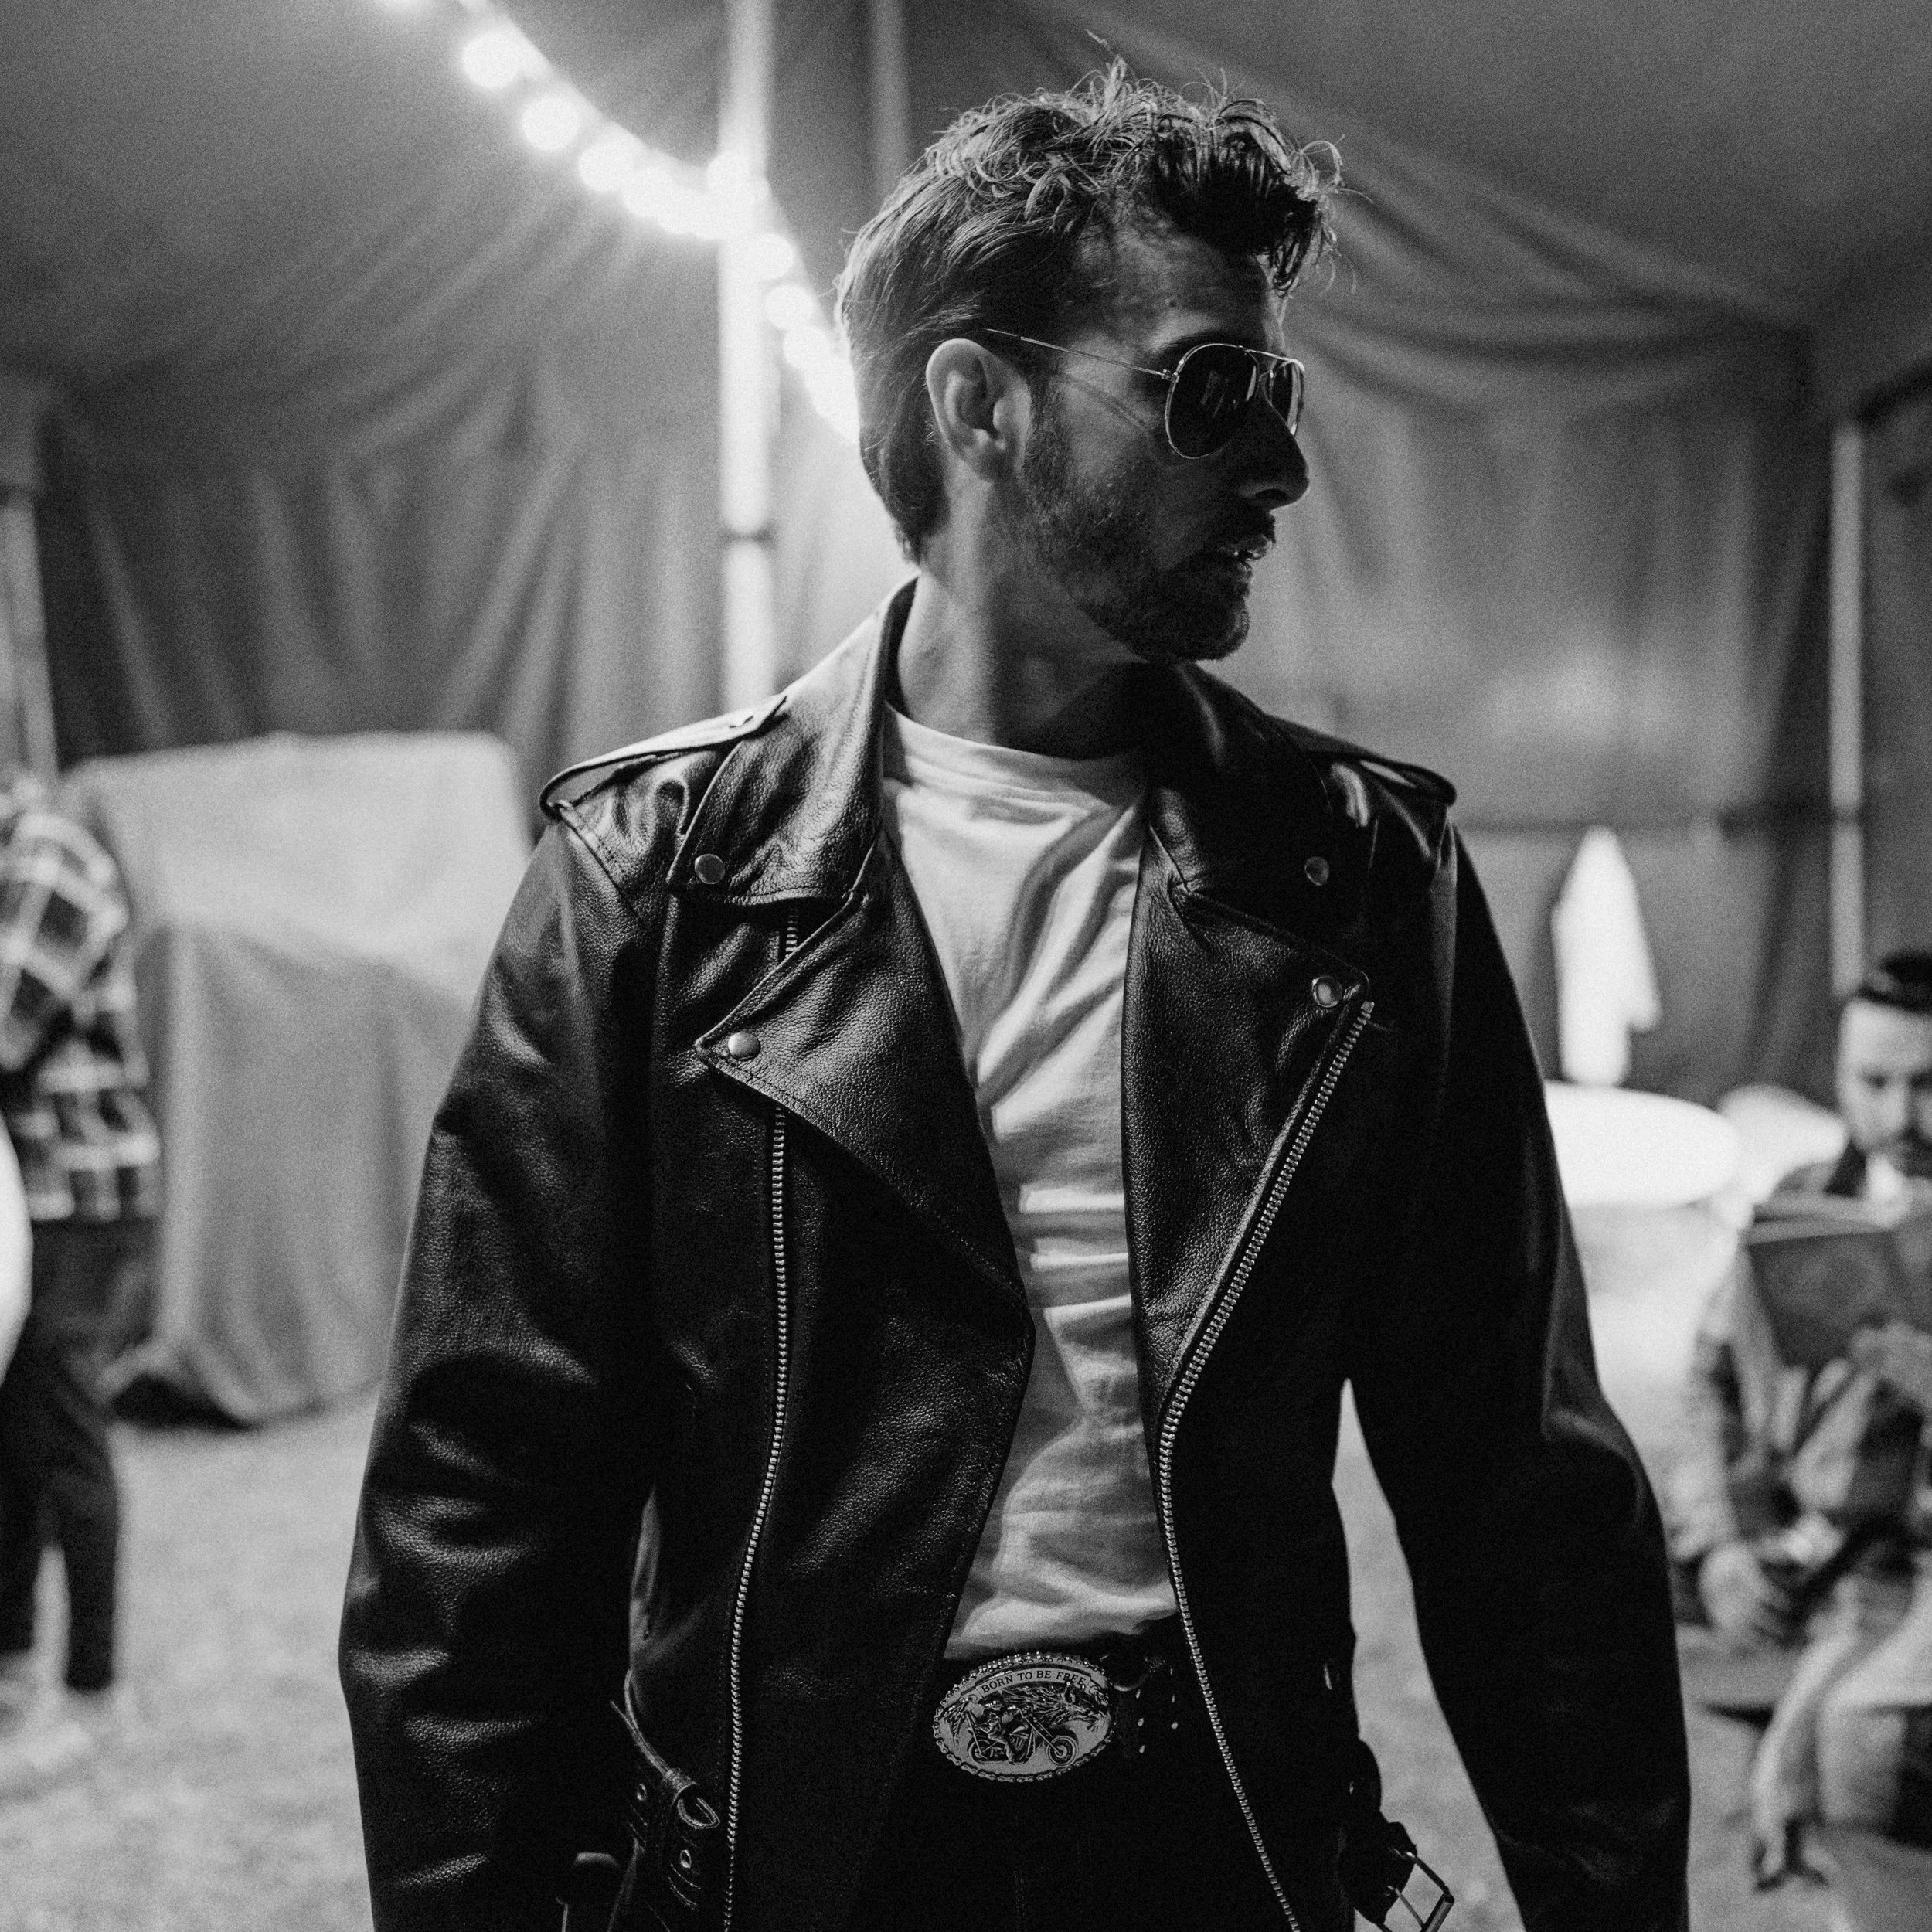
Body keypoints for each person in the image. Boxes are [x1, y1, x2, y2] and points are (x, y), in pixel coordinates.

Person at [341, 69, 1690, 1932]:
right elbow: (479, 1511)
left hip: (1219, 1833)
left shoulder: (1357, 879)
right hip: (792, 1857)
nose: (1283, 468)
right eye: (1215, 391)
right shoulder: (657, 875)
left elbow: (1519, 1492)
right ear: (980, 405)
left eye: (1282, 399)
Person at [1666, 954, 1932, 1882]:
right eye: (1876, 1082)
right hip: (1788, 1539)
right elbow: (1709, 1386)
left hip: (1900, 1565)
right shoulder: (1798, 1203)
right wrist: (1720, 1543)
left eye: (1929, 1083)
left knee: (1853, 1757)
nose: (1904, 1117)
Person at [0, 767, 160, 1794]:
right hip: (26, 1201)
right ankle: (12, 1675)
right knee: (9, 1442)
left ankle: (95, 1697)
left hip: (77, 1198)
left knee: (61, 1438)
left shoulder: (46, 859)